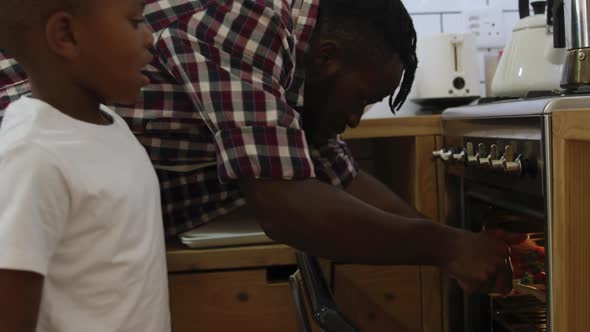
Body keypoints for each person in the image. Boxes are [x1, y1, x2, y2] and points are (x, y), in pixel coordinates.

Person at [0, 0, 523, 298]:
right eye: (361, 99)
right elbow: (287, 205)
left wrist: (454, 251)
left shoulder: (293, 83)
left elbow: (343, 181)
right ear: (327, 58)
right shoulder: (249, 19)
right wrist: (448, 248)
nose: (357, 118)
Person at [0, 1, 170, 331]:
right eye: (135, 23)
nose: (150, 37)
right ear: (66, 35)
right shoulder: (33, 156)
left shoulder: (112, 127)